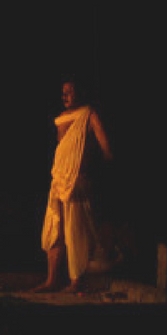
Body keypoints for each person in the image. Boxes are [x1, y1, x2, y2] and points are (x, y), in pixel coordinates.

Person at [31, 78, 113, 293]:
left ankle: (76, 281)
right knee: (54, 229)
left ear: (80, 92)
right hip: (58, 180)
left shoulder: (88, 115)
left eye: (70, 91)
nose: (65, 96)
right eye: (63, 92)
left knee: (74, 230)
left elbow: (104, 146)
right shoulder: (60, 119)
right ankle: (52, 280)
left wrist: (102, 165)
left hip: (77, 182)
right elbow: (63, 148)